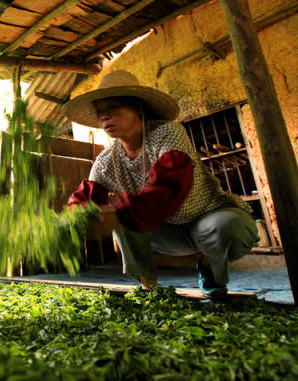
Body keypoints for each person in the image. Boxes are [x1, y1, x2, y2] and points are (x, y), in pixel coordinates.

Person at [62, 70, 259, 298]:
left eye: (112, 108)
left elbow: (170, 185)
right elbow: (84, 196)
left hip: (207, 219)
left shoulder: (167, 133)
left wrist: (120, 212)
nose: (105, 117)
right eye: (100, 112)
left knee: (228, 226)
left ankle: (209, 267)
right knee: (120, 218)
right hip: (167, 234)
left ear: (137, 108)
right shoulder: (106, 161)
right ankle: (149, 288)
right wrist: (76, 219)